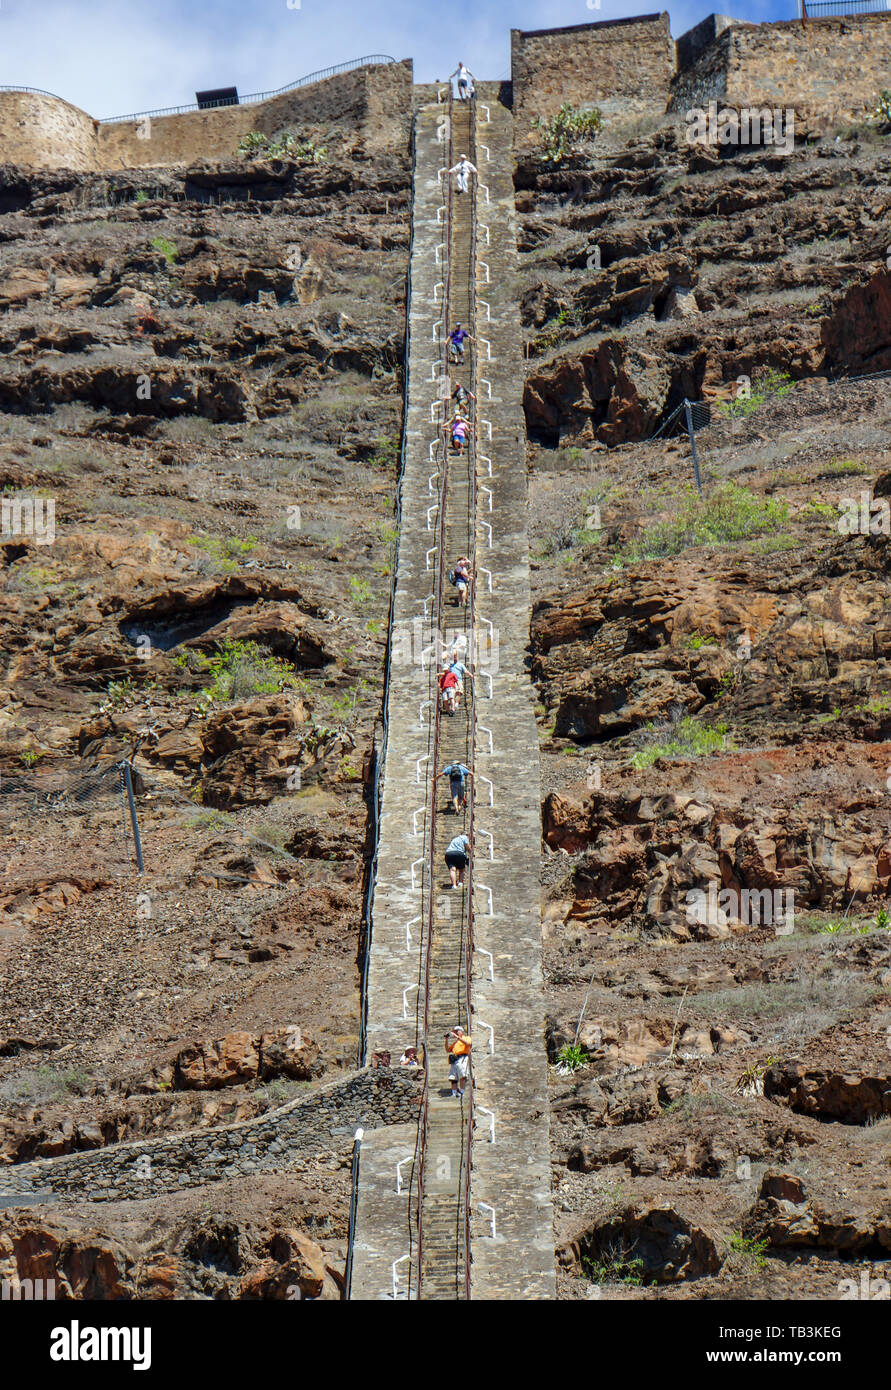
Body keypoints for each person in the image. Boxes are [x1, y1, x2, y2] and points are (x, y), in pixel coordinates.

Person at [445, 1026, 472, 1099]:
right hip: (455, 1059)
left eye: (456, 1031)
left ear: (461, 1031)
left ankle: (462, 1092)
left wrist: (457, 1037)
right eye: (454, 1032)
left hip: (462, 1058)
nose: (455, 1033)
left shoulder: (466, 1038)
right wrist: (446, 1039)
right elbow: (448, 1050)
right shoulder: (455, 1042)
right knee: (453, 1077)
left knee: (462, 1075)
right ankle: (454, 1093)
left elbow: (468, 1044)